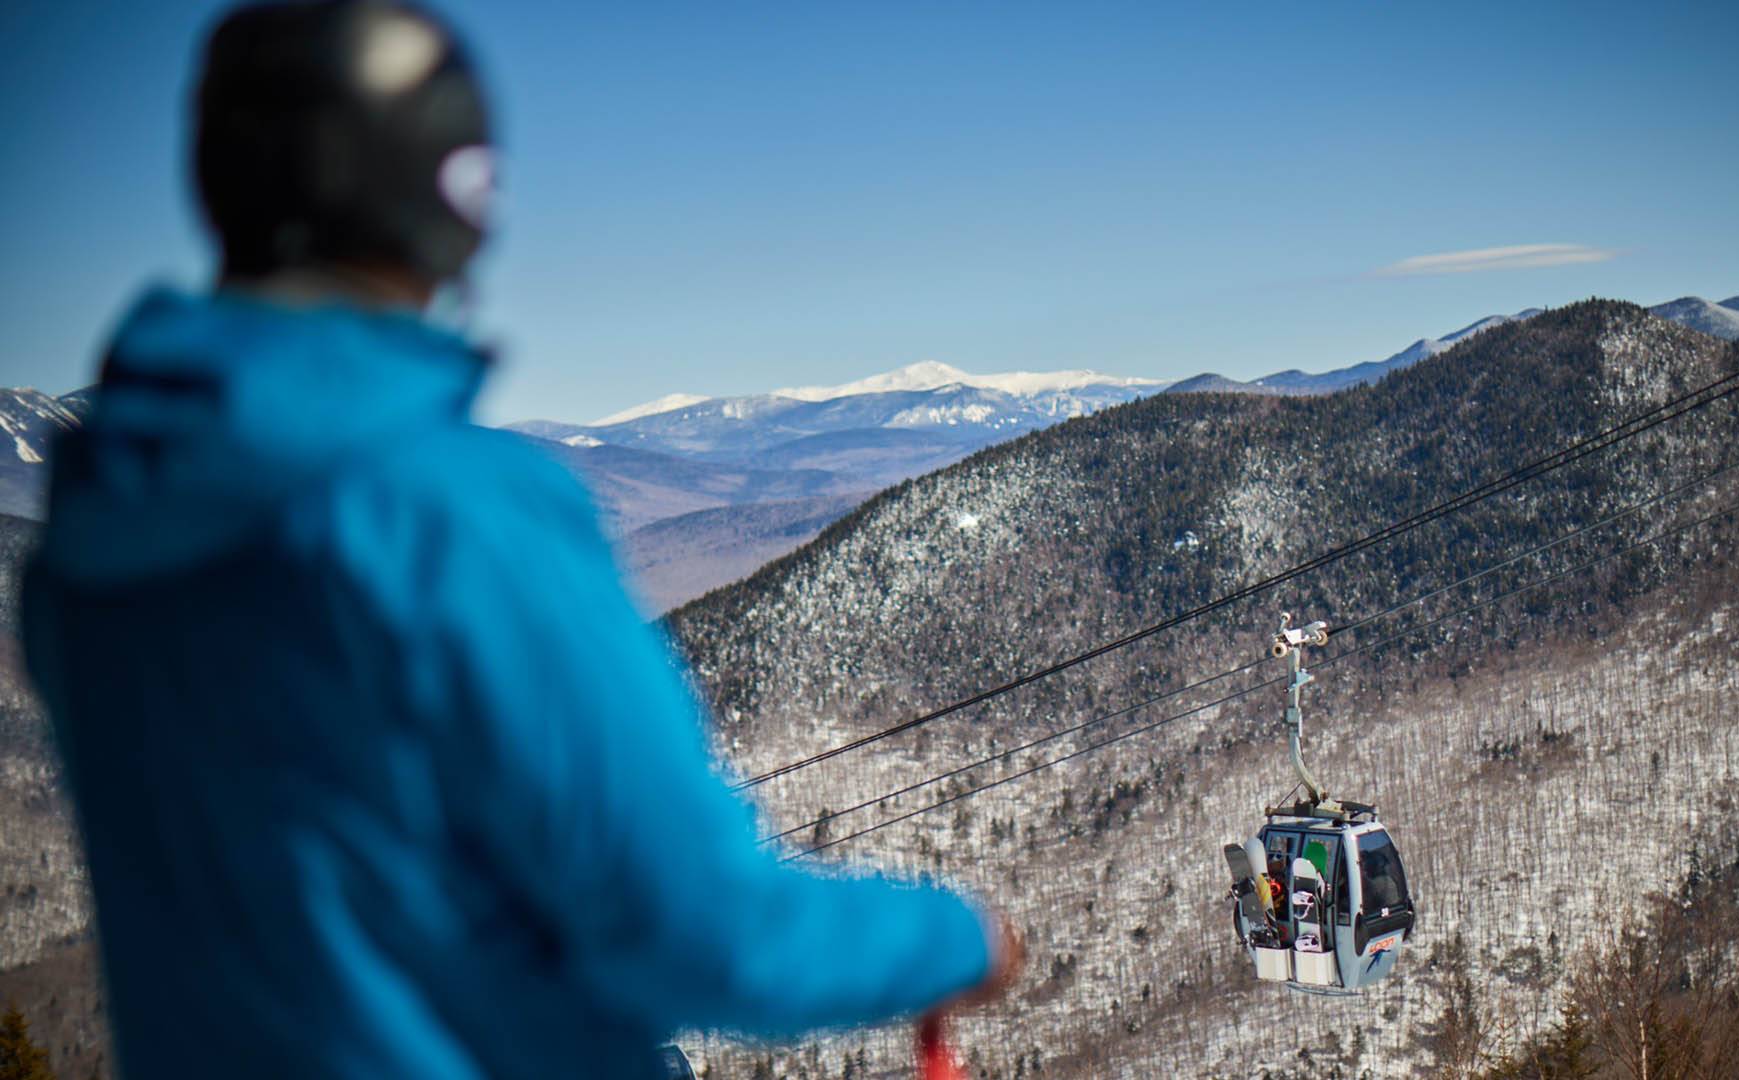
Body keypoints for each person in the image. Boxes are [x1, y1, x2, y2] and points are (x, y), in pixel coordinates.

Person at [21, 2, 1020, 1077]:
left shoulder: (88, 545)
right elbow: (703, 931)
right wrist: (953, 940)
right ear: (449, 197)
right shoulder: (445, 515)